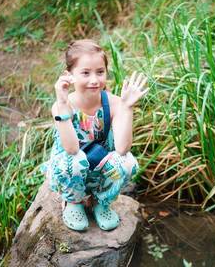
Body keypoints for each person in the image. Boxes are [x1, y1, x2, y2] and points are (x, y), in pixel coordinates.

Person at [41, 39, 148, 231]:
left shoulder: (114, 103)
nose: (94, 80)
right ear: (69, 75)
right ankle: (73, 202)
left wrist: (127, 107)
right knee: (74, 160)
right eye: (85, 73)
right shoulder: (62, 106)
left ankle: (100, 201)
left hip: (98, 170)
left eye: (100, 72)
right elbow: (71, 149)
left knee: (128, 161)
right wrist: (62, 102)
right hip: (69, 172)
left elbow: (123, 148)